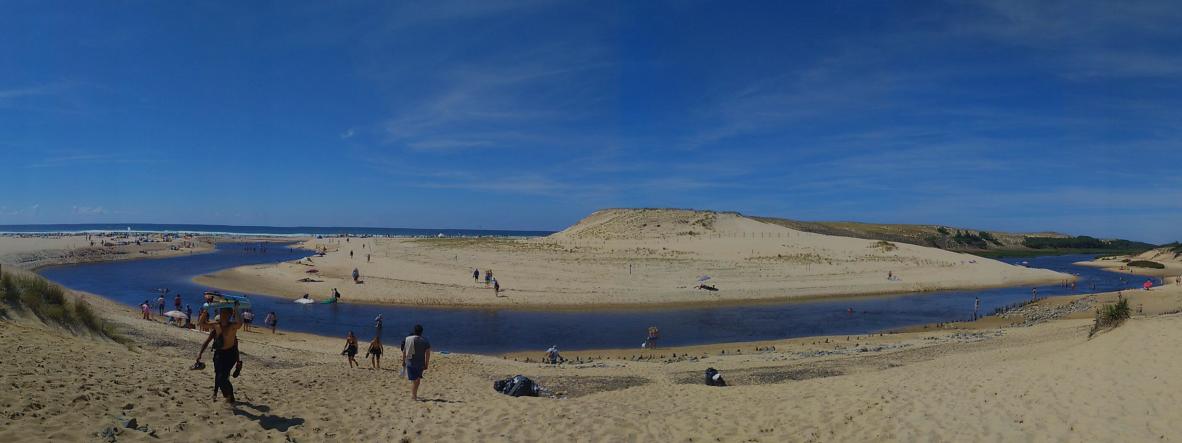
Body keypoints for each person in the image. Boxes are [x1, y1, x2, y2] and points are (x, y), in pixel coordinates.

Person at [195, 302, 243, 404]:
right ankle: (228, 395)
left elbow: (240, 323)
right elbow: (201, 324)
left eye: (226, 313)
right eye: (222, 313)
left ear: (230, 315)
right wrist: (206, 309)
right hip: (219, 354)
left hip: (230, 355)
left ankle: (228, 396)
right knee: (220, 376)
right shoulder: (216, 325)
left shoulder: (232, 326)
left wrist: (236, 308)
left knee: (222, 378)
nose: (223, 315)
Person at [401, 324, 431, 401]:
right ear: (422, 332)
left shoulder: (408, 339)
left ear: (414, 331)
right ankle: (414, 396)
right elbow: (427, 353)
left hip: (409, 362)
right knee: (417, 380)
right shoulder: (425, 341)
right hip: (420, 364)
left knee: (414, 380)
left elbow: (404, 351)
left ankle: (414, 395)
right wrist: (426, 364)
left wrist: (403, 361)